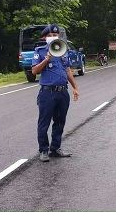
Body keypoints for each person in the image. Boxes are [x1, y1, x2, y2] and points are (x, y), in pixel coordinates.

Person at [31, 23, 80, 162]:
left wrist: (75, 87)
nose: (53, 37)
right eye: (50, 35)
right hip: (48, 93)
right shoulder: (39, 51)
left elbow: (68, 70)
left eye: (55, 35)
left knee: (60, 122)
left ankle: (55, 148)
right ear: (45, 37)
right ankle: (43, 150)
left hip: (62, 92)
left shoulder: (63, 50)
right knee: (44, 122)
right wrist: (46, 59)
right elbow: (34, 71)